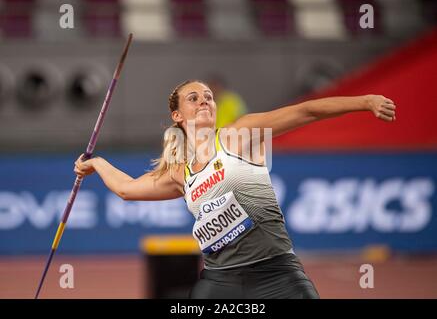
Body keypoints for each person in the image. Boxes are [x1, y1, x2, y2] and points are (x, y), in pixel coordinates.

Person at [74, 80, 396, 299]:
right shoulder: (180, 173)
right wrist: (97, 163)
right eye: (193, 98)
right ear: (177, 116)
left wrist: (365, 101)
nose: (204, 100)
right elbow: (128, 189)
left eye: (208, 97)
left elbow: (304, 112)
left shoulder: (238, 136)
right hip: (221, 281)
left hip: (276, 272)